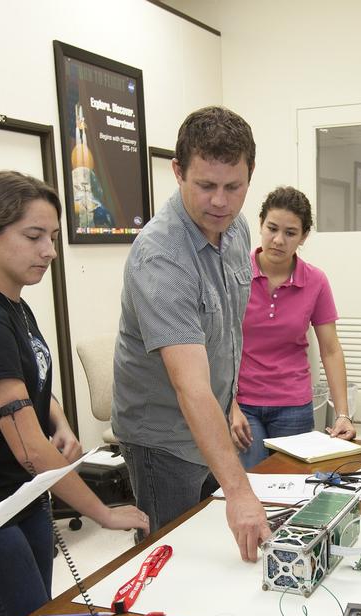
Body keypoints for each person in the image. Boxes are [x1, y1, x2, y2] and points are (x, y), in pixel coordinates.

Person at [0, 171, 148, 616]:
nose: (48, 251)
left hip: (21, 492)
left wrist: (61, 421)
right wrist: (102, 511)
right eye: (34, 236)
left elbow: (31, 380)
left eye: (52, 237)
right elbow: (28, 447)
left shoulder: (15, 305)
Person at [112, 106, 270, 561]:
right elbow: (190, 384)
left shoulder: (235, 229)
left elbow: (224, 337)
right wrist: (240, 492)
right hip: (162, 439)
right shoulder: (160, 257)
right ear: (177, 171)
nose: (220, 201)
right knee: (173, 558)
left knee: (216, 548)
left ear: (249, 175)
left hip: (212, 419)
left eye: (233, 186)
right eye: (205, 186)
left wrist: (233, 401)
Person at [228, 186, 355, 469]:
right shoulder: (235, 273)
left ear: (304, 236)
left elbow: (331, 350)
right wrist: (229, 404)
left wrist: (343, 414)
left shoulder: (315, 282)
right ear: (260, 224)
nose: (278, 240)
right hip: (243, 403)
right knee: (255, 484)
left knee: (294, 486)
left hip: (293, 405)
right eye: (272, 228)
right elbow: (217, 345)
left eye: (290, 233)